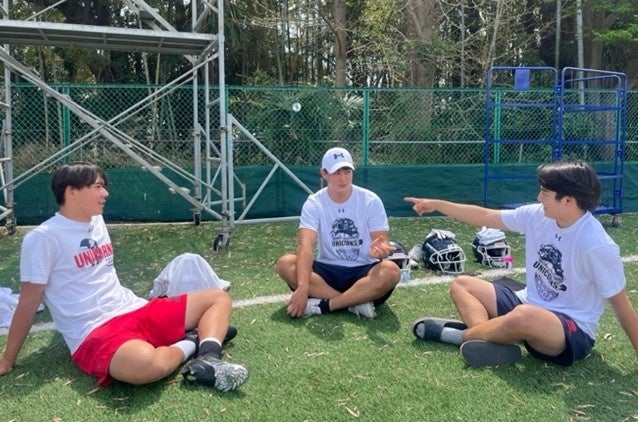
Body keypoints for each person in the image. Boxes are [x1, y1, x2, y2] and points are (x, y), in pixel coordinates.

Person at [0, 162, 248, 391]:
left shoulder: (97, 221)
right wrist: (8, 360)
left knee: (218, 298)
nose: (105, 193)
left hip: (134, 308)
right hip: (94, 330)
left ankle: (209, 357)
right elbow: (29, 302)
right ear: (71, 191)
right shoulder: (42, 238)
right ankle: (193, 341)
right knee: (145, 366)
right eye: (97, 187)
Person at [405, 160, 638, 367]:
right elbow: (485, 216)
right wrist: (439, 204)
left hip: (570, 330)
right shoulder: (537, 215)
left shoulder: (596, 244)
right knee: (462, 284)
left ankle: (460, 336)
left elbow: (621, 304)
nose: (539, 198)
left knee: (524, 316)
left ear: (568, 200)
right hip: (527, 303)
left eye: (545, 193)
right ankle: (489, 341)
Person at [277, 147, 401, 319]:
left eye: (347, 171)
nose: (343, 179)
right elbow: (305, 246)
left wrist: (379, 252)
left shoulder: (371, 200)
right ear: (324, 173)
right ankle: (355, 303)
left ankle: (326, 305)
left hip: (363, 271)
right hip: (326, 273)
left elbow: (382, 243)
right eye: (336, 173)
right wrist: (303, 288)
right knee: (285, 263)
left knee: (391, 271)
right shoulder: (314, 203)